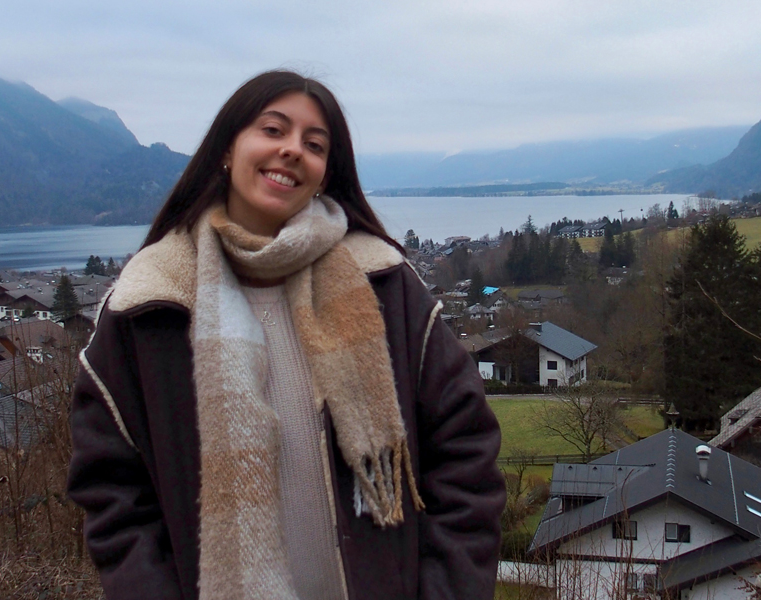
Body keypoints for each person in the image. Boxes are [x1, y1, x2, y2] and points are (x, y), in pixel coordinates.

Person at [67, 70, 505, 600]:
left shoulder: (385, 287)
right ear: (227, 149)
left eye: (313, 144)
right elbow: (114, 493)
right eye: (273, 130)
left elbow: (466, 451)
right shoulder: (148, 306)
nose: (292, 150)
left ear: (324, 172)